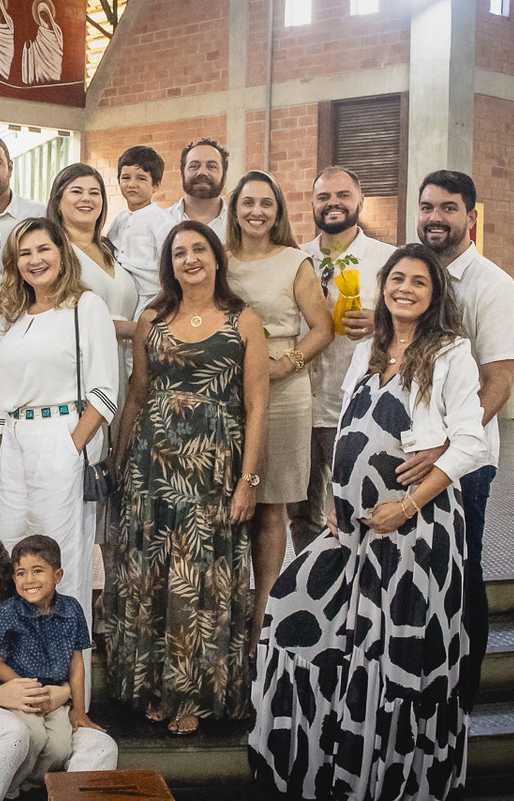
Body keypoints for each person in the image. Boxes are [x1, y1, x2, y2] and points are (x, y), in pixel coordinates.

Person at [250, 243, 484, 800]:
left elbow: (470, 443)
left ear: (435, 296)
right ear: (383, 287)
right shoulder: (368, 349)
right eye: (396, 279)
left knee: (393, 653)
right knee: (290, 612)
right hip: (353, 529)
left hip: (417, 532)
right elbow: (351, 429)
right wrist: (336, 496)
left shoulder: (450, 352)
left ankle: (392, 778)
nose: (405, 288)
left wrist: (405, 505)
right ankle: (331, 759)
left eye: (418, 282)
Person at [105, 221, 268, 735]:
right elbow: (137, 391)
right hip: (152, 468)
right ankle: (154, 686)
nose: (190, 258)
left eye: (199, 249)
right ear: (169, 264)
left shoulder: (244, 321)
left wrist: (249, 481)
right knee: (151, 575)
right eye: (179, 252)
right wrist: (119, 455)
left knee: (203, 579)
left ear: (217, 258)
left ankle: (194, 696)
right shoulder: (151, 318)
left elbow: (257, 406)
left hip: (214, 470)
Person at [0, 217, 118, 703]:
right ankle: (20, 690)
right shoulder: (17, 318)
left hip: (61, 437)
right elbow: (3, 400)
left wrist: (71, 444)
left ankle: (71, 699)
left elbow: (106, 391)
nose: (35, 260)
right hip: (13, 443)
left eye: (43, 249)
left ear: (61, 252)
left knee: (62, 566)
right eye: (24, 253)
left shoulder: (86, 307)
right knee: (14, 563)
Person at [415, 169, 514, 712]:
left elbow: (497, 384)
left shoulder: (491, 285)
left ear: (471, 216)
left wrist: (446, 447)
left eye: (449, 208)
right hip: (415, 457)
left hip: (464, 462)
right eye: (428, 207)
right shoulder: (416, 276)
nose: (436, 217)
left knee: (461, 570)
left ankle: (463, 694)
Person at [0, 512, 117, 801]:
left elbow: (65, 655)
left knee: (102, 746)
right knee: (13, 732)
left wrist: (63, 693)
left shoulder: (12, 596)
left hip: (35, 699)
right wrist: (0, 696)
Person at [224, 170, 334, 645]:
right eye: (247, 202)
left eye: (266, 203)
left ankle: (263, 616)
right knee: (226, 500)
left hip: (284, 391)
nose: (256, 211)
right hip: (224, 387)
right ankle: (224, 603)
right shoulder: (218, 259)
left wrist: (284, 364)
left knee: (270, 507)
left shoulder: (296, 261)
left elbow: (323, 328)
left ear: (278, 211)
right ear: (234, 209)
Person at [289, 167, 394, 554]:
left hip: (353, 407)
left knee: (354, 506)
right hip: (299, 401)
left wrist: (381, 320)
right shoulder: (296, 258)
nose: (333, 203)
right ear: (313, 204)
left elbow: (417, 323)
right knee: (300, 511)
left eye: (343, 195)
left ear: (359, 201)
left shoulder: (388, 260)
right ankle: (308, 586)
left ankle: (349, 590)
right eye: (323, 197)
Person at [0, 535, 103, 793]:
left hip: (56, 696)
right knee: (33, 737)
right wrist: (25, 689)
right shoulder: (8, 611)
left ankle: (30, 784)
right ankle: (5, 791)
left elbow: (77, 663)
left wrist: (79, 711)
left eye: (38, 571)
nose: (29, 580)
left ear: (57, 575)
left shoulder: (72, 610)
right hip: (19, 693)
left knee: (60, 747)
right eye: (21, 573)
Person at [47, 163, 138, 345]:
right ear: (58, 201)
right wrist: (136, 329)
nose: (86, 199)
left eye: (94, 193)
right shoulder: (54, 252)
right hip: (78, 361)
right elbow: (59, 319)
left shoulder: (111, 248)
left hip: (122, 363)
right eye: (77, 192)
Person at [107, 146, 175, 317]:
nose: (132, 185)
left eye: (141, 179)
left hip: (152, 301)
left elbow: (171, 271)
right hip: (120, 298)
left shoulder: (163, 222)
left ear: (156, 185)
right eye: (125, 178)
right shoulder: (119, 219)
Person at [169, 138, 230, 242]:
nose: (202, 172)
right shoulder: (162, 221)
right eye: (194, 166)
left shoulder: (238, 223)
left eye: (212, 166)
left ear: (224, 176)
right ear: (182, 174)